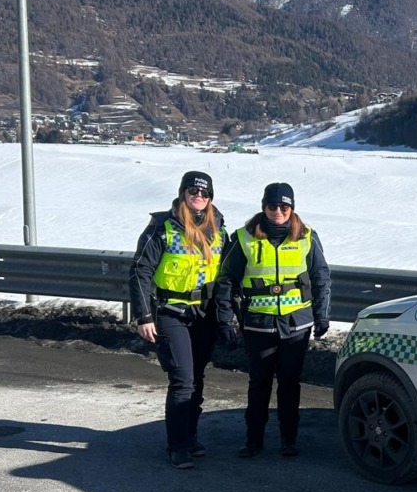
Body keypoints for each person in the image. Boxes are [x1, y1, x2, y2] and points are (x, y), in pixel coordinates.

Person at [215, 181, 331, 458]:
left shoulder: (306, 237)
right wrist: (224, 318)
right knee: (259, 382)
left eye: (285, 206)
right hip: (259, 324)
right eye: (272, 206)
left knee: (290, 382)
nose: (278, 211)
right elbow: (226, 280)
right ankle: (253, 440)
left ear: (292, 208)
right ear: (263, 206)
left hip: (296, 324)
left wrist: (322, 315)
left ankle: (288, 439)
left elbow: (321, 277)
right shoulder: (244, 237)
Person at [129, 170, 235, 469]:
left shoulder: (220, 229)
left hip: (205, 313)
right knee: (183, 380)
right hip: (171, 311)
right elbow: (140, 271)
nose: (198, 197)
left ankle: (190, 437)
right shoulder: (163, 227)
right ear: (183, 192)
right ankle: (176, 445)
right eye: (193, 191)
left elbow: (226, 276)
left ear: (210, 197)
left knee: (197, 378)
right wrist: (143, 316)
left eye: (204, 193)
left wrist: (226, 315)